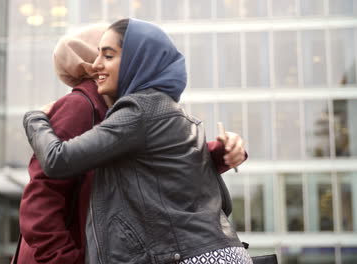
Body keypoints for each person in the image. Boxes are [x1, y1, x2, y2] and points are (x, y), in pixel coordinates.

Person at [20, 20, 249, 264]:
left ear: (136, 58)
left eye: (107, 55)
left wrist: (34, 118)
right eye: (97, 55)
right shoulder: (155, 107)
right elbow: (44, 193)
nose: (96, 64)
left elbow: (58, 160)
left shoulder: (139, 108)